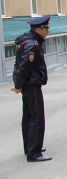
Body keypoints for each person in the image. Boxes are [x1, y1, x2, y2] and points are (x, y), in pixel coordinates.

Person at [12, 14, 52, 162]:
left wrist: (18, 84)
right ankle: (34, 153)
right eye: (46, 29)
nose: (48, 31)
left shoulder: (26, 41)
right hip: (32, 85)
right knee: (36, 118)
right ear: (39, 29)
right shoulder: (32, 45)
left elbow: (19, 65)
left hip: (27, 85)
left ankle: (29, 146)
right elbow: (24, 67)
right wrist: (18, 85)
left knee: (28, 117)